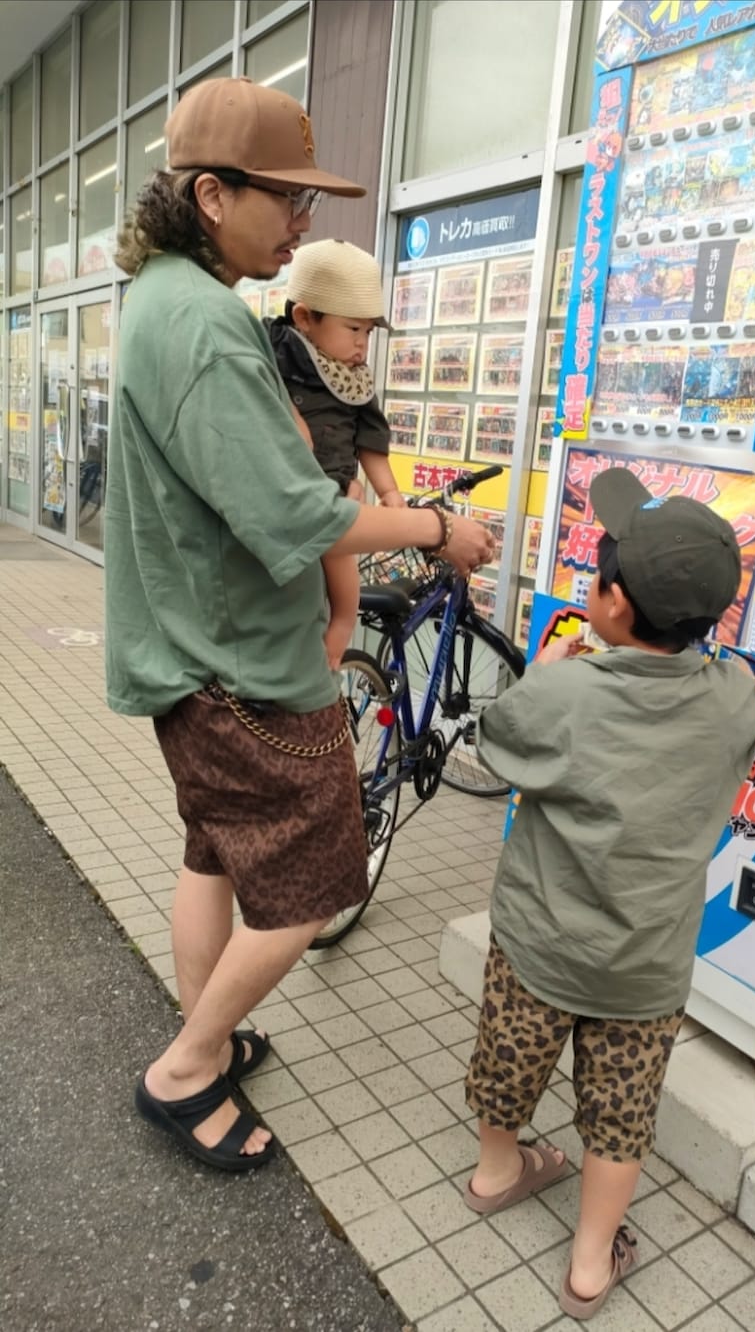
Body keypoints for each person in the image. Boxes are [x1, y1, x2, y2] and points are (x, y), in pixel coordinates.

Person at [106, 76, 493, 1173]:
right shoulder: (209, 325)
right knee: (323, 874)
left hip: (186, 648)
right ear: (214, 195)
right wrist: (433, 529)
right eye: (290, 199)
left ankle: (210, 1036)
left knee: (212, 852)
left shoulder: (162, 299)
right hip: (240, 662)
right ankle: (184, 1069)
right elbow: (292, 510)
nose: (305, 223)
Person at [461, 467, 755, 1320]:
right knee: (621, 1114)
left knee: (507, 1063)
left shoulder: (565, 690)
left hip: (538, 941)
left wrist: (545, 672)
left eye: (599, 575)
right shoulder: (735, 698)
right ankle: (591, 1263)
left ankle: (496, 1171)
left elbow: (502, 744)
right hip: (644, 965)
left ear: (617, 607)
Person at [267, 239, 404, 668]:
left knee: (342, 571)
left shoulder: (355, 378)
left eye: (368, 332)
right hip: (285, 499)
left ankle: (342, 627)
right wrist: (291, 412)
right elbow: (254, 387)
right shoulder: (272, 351)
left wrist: (391, 494)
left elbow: (370, 441)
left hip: (337, 496)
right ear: (304, 318)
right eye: (353, 329)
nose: (362, 345)